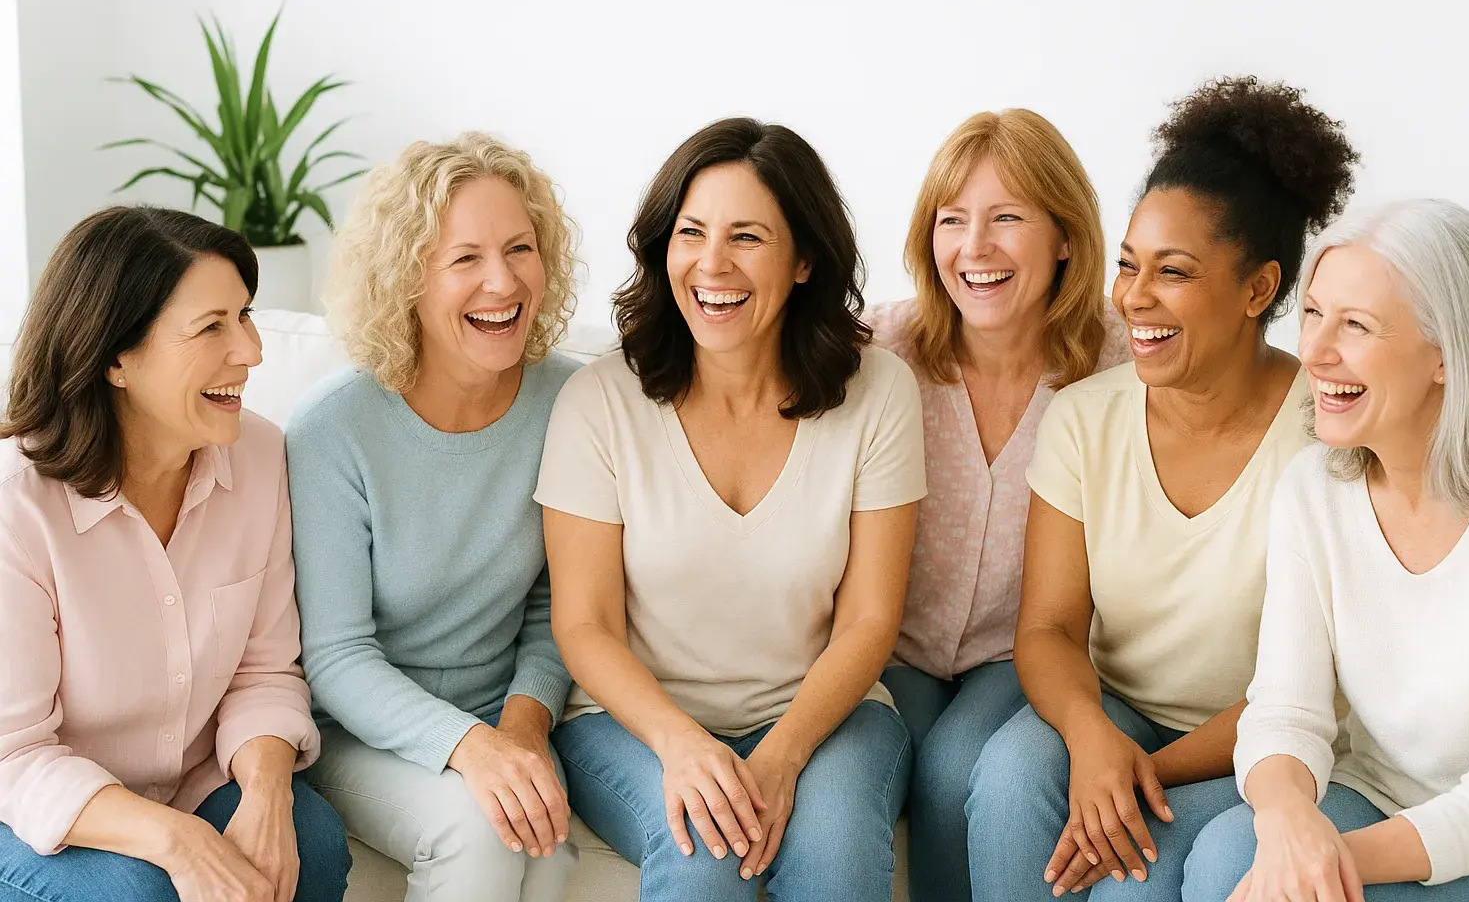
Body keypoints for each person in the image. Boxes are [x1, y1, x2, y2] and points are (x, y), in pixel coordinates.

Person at [966, 76, 1359, 900]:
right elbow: (1047, 627)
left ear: (1258, 290)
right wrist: (1092, 739)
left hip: (1276, 742)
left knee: (1134, 881)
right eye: (1128, 266)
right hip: (1118, 708)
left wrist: (1139, 774)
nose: (1133, 298)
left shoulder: (1330, 437)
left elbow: (1325, 688)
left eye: (1172, 272)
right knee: (1007, 784)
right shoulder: (1083, 418)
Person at [537, 117, 924, 902]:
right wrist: (681, 744)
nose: (712, 264)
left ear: (805, 260)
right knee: (702, 858)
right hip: (631, 722)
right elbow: (584, 625)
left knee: (838, 860)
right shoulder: (597, 401)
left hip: (823, 715)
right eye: (691, 233)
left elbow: (869, 620)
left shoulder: (880, 392)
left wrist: (782, 756)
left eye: (747, 237)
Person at [1184, 199, 1469, 901]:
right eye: (1313, 313)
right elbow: (1284, 713)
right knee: (1218, 858)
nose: (1313, 352)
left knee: (1251, 878)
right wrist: (1287, 824)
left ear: (1446, 354)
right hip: (1376, 792)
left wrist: (1318, 864)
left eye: (1356, 325)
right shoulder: (1314, 487)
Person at [0, 206, 350, 902]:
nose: (251, 351)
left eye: (245, 316)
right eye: (211, 326)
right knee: (138, 892)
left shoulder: (260, 457)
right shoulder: (16, 506)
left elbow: (264, 670)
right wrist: (178, 841)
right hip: (30, 805)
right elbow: (15, 754)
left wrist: (268, 792)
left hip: (188, 781)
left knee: (310, 844)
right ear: (115, 358)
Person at [286, 133, 581, 901]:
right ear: (406, 278)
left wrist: (522, 728)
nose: (502, 282)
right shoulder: (332, 430)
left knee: (551, 853)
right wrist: (471, 748)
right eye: (465, 259)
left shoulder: (570, 404)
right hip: (357, 729)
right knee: (480, 831)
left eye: (520, 249)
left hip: (504, 714)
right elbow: (337, 655)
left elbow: (558, 604)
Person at [868, 108, 1129, 902]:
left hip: (1025, 650)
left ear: (1065, 237)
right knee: (907, 755)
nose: (974, 247)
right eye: (952, 220)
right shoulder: (878, 351)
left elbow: (1244, 373)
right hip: (896, 649)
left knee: (954, 768)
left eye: (1006, 218)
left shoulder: (1121, 358)